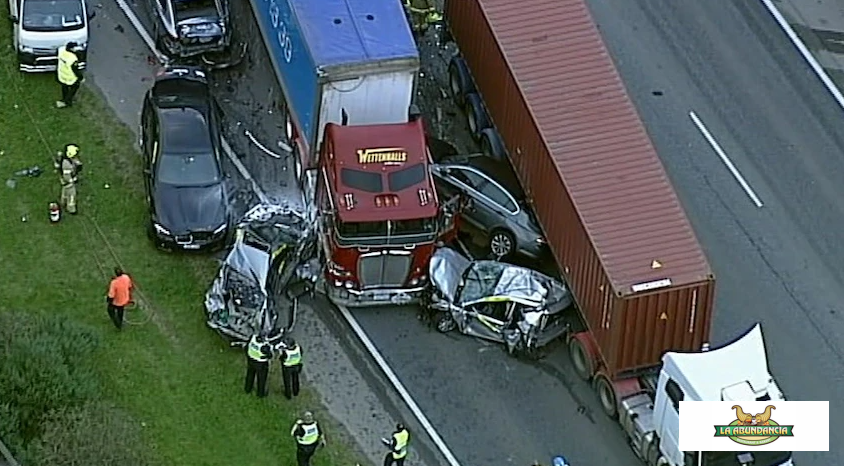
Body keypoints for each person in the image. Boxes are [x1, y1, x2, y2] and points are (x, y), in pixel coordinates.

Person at [55, 144, 83, 214]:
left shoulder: (66, 159)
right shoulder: (66, 164)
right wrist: (73, 180)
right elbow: (66, 176)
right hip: (68, 182)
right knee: (71, 194)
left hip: (65, 182)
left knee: (65, 191)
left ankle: (63, 202)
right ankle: (71, 209)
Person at [56, 42, 84, 108]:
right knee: (74, 88)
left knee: (64, 87)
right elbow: (75, 70)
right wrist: (81, 78)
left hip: (62, 74)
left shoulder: (62, 52)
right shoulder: (72, 58)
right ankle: (66, 102)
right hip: (70, 77)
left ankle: (64, 99)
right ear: (72, 49)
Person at [244, 332, 273, 397]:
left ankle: (247, 389)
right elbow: (269, 355)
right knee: (261, 379)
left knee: (250, 375)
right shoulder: (264, 346)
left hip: (251, 360)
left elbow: (247, 346)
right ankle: (260, 393)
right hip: (261, 364)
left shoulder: (253, 338)